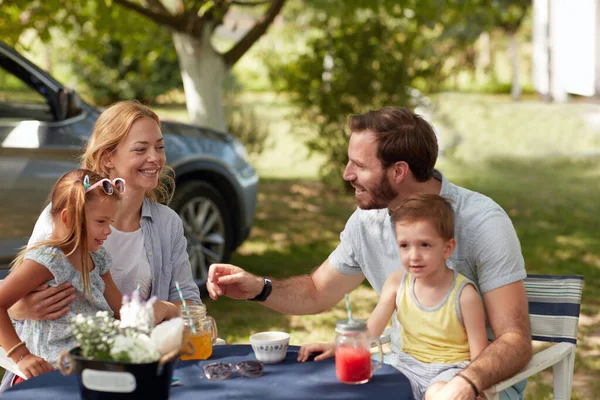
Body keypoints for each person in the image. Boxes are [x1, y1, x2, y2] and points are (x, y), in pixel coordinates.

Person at [207, 107, 532, 400]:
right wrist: (260, 287)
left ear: (399, 171)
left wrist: (465, 384)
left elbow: (514, 340)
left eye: (359, 165)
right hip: (401, 373)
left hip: (477, 383)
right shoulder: (368, 220)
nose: (347, 174)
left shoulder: (481, 222)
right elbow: (317, 290)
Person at [1, 101, 200, 390]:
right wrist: (20, 310)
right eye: (140, 149)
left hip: (119, 363)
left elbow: (188, 306)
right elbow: (14, 296)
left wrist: (166, 310)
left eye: (159, 147)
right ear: (108, 158)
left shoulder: (167, 224)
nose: (155, 158)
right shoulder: (63, 219)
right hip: (54, 370)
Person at [297, 194, 488, 400]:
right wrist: (339, 346)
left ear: (447, 248)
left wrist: (477, 389)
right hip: (405, 368)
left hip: (450, 372)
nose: (413, 255)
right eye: (405, 245)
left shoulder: (464, 295)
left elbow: (480, 356)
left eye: (425, 245)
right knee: (359, 391)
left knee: (438, 395)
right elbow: (370, 332)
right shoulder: (398, 283)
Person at [0, 170, 157, 382]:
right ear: (68, 218)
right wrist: (22, 355)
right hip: (56, 370)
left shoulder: (98, 257)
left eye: (110, 222)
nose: (108, 230)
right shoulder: (47, 261)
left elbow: (120, 309)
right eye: (101, 222)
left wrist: (152, 319)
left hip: (97, 360)